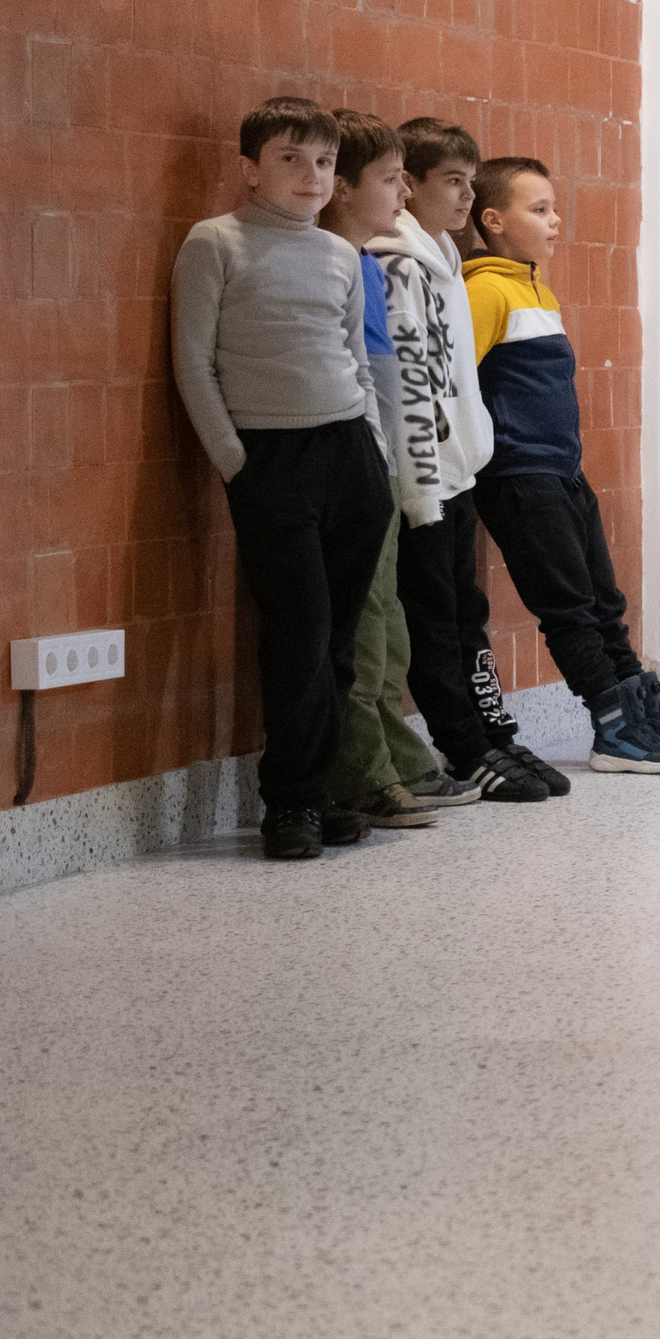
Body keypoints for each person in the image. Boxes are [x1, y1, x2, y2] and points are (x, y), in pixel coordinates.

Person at [169, 97, 394, 859]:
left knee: (338, 638)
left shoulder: (339, 255)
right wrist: (237, 463)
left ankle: (323, 787)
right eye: (291, 159)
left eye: (325, 162)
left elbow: (355, 361)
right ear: (251, 169)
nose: (312, 176)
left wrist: (372, 446)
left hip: (350, 460)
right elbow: (192, 364)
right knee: (298, 631)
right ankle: (289, 804)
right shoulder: (215, 243)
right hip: (271, 463)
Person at [465, 157, 660, 774]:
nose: (555, 220)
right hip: (519, 477)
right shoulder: (483, 290)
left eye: (554, 207)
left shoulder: (536, 287)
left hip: (564, 473)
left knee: (604, 601)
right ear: (493, 220)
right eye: (538, 209)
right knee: (568, 607)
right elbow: (458, 386)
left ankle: (641, 714)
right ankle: (613, 727)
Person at [378, 116, 560, 803]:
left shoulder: (447, 258)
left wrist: (471, 445)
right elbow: (408, 381)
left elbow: (457, 377)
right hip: (420, 475)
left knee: (466, 611)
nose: (464, 196)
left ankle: (490, 732)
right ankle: (461, 746)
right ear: (409, 186)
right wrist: (425, 476)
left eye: (467, 180)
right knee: (433, 619)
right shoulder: (394, 259)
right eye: (450, 182)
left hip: (459, 466)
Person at [316, 109, 470, 830]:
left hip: (381, 467)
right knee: (362, 630)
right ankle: (364, 773)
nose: (403, 195)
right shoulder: (351, 262)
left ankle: (398, 758)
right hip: (353, 466)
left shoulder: (365, 267)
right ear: (343, 189)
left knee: (389, 626)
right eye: (389, 180)